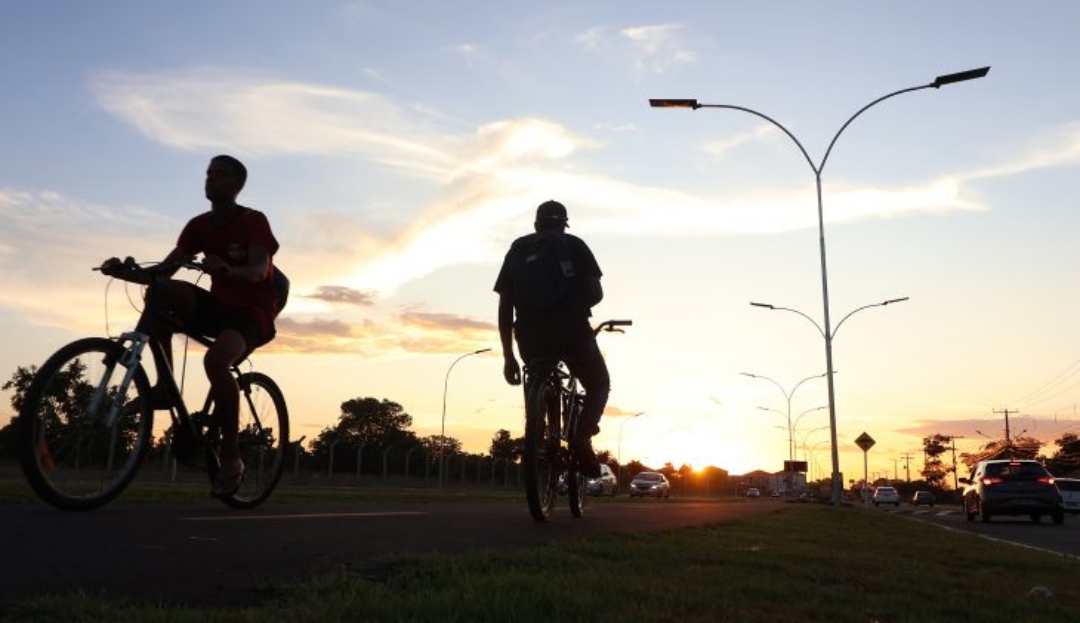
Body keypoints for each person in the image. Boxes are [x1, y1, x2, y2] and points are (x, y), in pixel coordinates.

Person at [101, 155, 280, 497]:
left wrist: (226, 269)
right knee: (161, 291)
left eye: (220, 174)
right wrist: (124, 272)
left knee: (215, 362)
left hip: (253, 312)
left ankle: (232, 458)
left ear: (237, 185)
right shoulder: (198, 225)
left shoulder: (254, 221)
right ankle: (165, 387)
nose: (211, 180)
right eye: (208, 174)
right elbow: (163, 271)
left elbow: (259, 270)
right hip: (219, 307)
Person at [494, 200, 610, 477]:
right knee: (598, 385)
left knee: (538, 374)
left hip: (530, 337)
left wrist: (508, 357)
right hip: (572, 331)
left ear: (536, 225)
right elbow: (596, 292)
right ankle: (581, 436)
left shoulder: (517, 250)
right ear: (563, 224)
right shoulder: (575, 245)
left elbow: (504, 307)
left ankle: (538, 430)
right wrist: (577, 306)